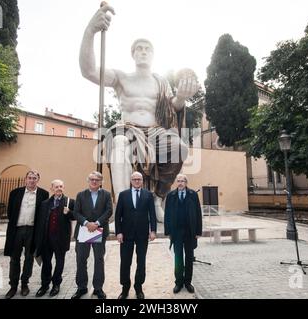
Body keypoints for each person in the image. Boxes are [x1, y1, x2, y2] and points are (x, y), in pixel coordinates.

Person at [79, 4, 199, 222]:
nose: (143, 51)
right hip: (128, 128)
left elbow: (172, 107)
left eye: (147, 48)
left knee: (180, 148)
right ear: (133, 54)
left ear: (153, 55)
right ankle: (122, 207)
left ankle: (157, 199)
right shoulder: (121, 77)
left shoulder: (160, 81)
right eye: (139, 48)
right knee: (119, 143)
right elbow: (88, 71)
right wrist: (90, 31)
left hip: (155, 131)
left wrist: (181, 97)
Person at [3, 170, 49, 299]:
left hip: (32, 231)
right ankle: (13, 286)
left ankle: (24, 284)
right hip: (17, 230)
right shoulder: (15, 193)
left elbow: (43, 213)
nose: (32, 180)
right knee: (14, 258)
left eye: (34, 178)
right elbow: (10, 212)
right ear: (25, 179)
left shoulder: (43, 194)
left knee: (29, 258)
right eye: (29, 177)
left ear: (38, 180)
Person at [114, 172, 157, 299]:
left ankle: (138, 287)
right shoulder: (123, 195)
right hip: (126, 234)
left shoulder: (148, 195)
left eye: (139, 179)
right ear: (131, 181)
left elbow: (152, 214)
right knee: (125, 261)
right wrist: (119, 232)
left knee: (141, 261)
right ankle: (125, 288)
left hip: (142, 234)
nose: (137, 181)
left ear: (142, 181)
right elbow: (118, 216)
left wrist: (153, 230)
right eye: (135, 179)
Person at [71, 171, 113, 299]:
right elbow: (76, 212)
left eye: (97, 180)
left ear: (101, 182)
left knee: (99, 260)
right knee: (81, 259)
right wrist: (86, 223)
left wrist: (97, 223)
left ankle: (98, 288)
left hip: (99, 231)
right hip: (84, 232)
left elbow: (109, 211)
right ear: (88, 181)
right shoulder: (80, 195)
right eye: (92, 179)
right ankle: (81, 287)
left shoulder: (106, 195)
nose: (94, 181)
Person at [34, 180, 75, 298]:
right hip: (46, 238)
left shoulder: (69, 202)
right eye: (56, 187)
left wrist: (69, 213)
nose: (59, 188)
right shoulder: (45, 203)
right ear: (52, 188)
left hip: (61, 238)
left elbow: (76, 215)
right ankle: (44, 285)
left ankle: (56, 284)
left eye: (61, 186)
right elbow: (40, 222)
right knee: (46, 262)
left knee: (60, 262)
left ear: (64, 187)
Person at [164, 174, 202, 294]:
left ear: (186, 182)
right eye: (178, 181)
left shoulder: (193, 195)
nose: (180, 183)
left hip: (190, 232)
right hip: (176, 232)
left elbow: (198, 213)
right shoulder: (171, 195)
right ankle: (178, 283)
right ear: (176, 182)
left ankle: (188, 282)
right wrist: (168, 231)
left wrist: (198, 231)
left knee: (189, 258)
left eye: (182, 181)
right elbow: (167, 215)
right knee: (178, 258)